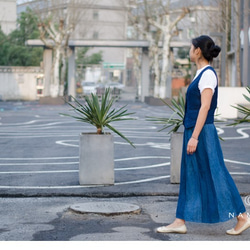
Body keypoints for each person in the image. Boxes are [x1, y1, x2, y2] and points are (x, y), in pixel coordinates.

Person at [157, 35, 250, 235]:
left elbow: (205, 106)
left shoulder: (207, 75)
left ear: (197, 50)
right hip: (195, 130)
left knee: (216, 173)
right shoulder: (201, 73)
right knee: (190, 174)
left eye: (191, 47)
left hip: (202, 132)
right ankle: (180, 220)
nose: (189, 51)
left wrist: (195, 137)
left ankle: (242, 217)